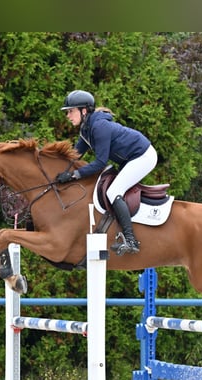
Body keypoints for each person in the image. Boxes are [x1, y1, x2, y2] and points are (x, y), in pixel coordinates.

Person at [56, 89, 158, 256]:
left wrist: (74, 175)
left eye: (70, 111)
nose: (68, 116)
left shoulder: (99, 127)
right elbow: (74, 156)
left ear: (84, 111)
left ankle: (131, 240)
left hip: (143, 156)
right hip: (129, 159)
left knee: (113, 191)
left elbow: (100, 163)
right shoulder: (86, 129)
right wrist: (59, 172)